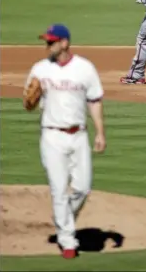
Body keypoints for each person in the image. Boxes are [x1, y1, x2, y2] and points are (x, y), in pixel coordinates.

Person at [23, 24, 106, 259]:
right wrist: (29, 101)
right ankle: (67, 241)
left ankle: (62, 217)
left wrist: (100, 132)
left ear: (65, 43)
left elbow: (95, 101)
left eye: (51, 42)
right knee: (59, 189)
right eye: (46, 42)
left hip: (79, 136)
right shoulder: (39, 69)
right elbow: (28, 103)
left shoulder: (85, 68)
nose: (47, 46)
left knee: (82, 187)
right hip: (52, 137)